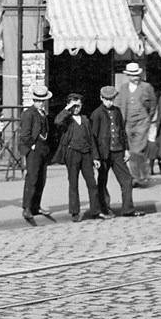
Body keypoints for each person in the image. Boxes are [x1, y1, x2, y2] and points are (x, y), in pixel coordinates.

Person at [91, 85, 135, 217]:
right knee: (102, 182)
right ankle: (105, 208)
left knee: (126, 180)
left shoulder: (117, 111)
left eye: (112, 99)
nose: (109, 102)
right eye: (106, 99)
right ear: (101, 98)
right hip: (104, 154)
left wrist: (126, 149)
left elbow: (122, 131)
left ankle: (128, 209)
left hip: (118, 151)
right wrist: (95, 157)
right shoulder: (97, 114)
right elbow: (93, 137)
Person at [55, 93, 100, 220]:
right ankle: (75, 212)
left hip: (86, 154)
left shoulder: (85, 120)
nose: (76, 109)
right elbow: (57, 121)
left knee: (92, 182)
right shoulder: (66, 120)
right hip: (72, 154)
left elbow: (92, 140)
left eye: (78, 105)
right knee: (73, 183)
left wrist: (95, 157)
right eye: (74, 106)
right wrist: (67, 108)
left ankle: (95, 210)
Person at [17, 82, 56, 224]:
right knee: (32, 178)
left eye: (42, 101)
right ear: (34, 100)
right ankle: (27, 207)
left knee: (41, 179)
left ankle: (36, 206)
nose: (40, 103)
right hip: (34, 149)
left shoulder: (43, 114)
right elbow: (25, 135)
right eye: (38, 100)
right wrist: (32, 146)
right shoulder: (28, 114)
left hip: (43, 149)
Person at [117, 61, 157, 184]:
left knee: (136, 150)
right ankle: (143, 175)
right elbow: (119, 104)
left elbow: (153, 104)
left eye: (137, 75)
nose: (135, 77)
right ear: (128, 76)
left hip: (142, 122)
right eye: (132, 75)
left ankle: (137, 177)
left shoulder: (146, 87)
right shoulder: (123, 88)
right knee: (134, 150)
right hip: (128, 122)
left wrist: (148, 118)